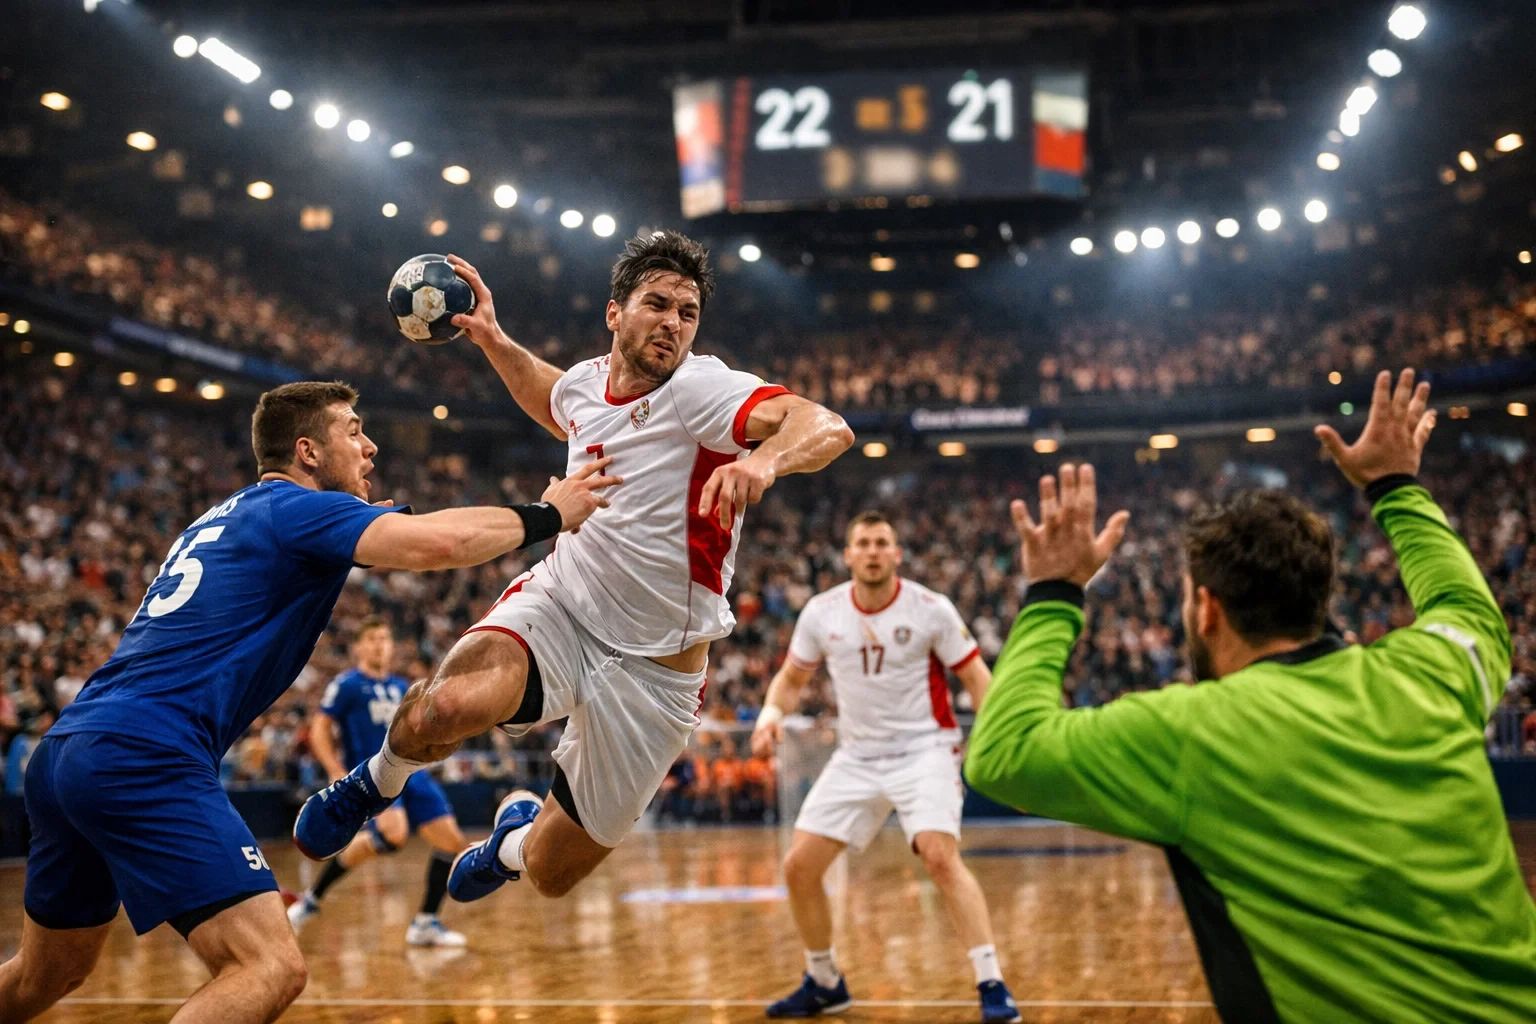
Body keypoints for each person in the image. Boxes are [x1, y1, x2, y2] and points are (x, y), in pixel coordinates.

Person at [0, 381, 617, 1024]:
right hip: (144, 752)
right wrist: (550, 513)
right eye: (353, 430)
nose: (371, 446)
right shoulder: (293, 508)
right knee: (267, 967)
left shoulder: (225, 516)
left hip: (69, 748)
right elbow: (438, 544)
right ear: (307, 452)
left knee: (46, 974)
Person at [295, 231, 855, 904]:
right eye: (657, 304)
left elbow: (825, 425)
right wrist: (496, 343)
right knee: (446, 704)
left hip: (658, 671)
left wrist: (764, 460)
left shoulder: (702, 388)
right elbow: (556, 401)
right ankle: (374, 783)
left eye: (687, 312)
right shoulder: (589, 383)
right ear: (615, 314)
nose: (673, 323)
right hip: (563, 607)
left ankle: (507, 844)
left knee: (553, 873)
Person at [965, 369, 1536, 1024]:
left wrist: (1054, 594)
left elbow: (1000, 753)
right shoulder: (1433, 672)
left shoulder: (1193, 731)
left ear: (1207, 610)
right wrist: (1396, 487)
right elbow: (1469, 607)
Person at [751, 511, 1021, 1022]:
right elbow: (789, 680)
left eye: (882, 543)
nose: (872, 551)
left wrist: (1004, 737)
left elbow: (976, 677)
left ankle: (991, 982)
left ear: (897, 554)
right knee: (798, 868)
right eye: (863, 543)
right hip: (856, 756)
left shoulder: (931, 609)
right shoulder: (821, 612)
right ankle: (825, 981)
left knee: (939, 856)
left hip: (926, 750)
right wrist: (769, 716)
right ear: (848, 555)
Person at [286, 618, 469, 948]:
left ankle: (425, 923)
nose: (379, 645)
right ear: (358, 646)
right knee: (394, 834)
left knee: (451, 843)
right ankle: (311, 898)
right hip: (374, 774)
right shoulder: (347, 685)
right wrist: (333, 768)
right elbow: (320, 727)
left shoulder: (402, 687)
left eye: (384, 639)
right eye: (371, 639)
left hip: (415, 772)